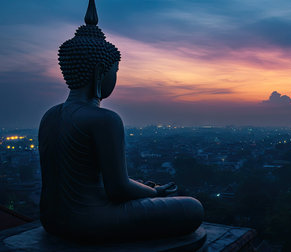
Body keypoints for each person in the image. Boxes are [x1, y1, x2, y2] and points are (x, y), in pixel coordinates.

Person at [38, 0, 203, 242]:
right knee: (192, 208)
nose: (115, 77)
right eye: (115, 71)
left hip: (51, 221)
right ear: (99, 72)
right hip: (89, 220)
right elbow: (118, 189)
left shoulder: (49, 116)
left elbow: (98, 182)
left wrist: (140, 189)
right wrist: (154, 192)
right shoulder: (105, 120)